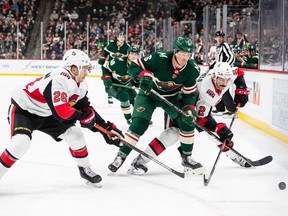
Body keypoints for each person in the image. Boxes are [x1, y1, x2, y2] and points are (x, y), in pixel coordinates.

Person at [0, 49, 123, 187]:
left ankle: (85, 169)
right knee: (20, 142)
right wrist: (83, 118)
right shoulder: (59, 79)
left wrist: (105, 129)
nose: (87, 73)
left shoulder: (80, 84)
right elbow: (63, 112)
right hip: (24, 110)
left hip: (47, 113)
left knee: (76, 135)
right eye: (84, 69)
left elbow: (85, 108)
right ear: (73, 68)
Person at [128, 62, 250, 175]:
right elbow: (199, 120)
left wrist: (241, 88)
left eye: (227, 80)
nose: (224, 83)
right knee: (172, 134)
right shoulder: (207, 92)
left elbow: (238, 72)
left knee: (214, 135)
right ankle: (141, 160)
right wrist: (218, 128)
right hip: (180, 104)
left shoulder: (223, 75)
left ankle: (236, 157)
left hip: (190, 103)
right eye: (221, 79)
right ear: (214, 77)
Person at [108, 37, 205, 175]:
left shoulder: (192, 69)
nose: (185, 58)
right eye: (183, 54)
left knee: (187, 122)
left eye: (188, 55)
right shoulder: (158, 58)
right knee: (139, 124)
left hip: (171, 98)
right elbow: (134, 66)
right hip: (149, 95)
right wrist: (142, 75)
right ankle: (121, 155)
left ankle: (187, 158)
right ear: (175, 51)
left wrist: (189, 108)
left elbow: (189, 94)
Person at [101, 46, 140, 124]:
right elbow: (104, 67)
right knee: (124, 96)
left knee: (136, 100)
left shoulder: (138, 66)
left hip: (126, 85)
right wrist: (107, 78)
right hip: (113, 86)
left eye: (136, 54)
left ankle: (139, 117)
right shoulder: (118, 61)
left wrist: (138, 84)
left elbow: (137, 79)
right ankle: (129, 119)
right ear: (128, 54)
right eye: (132, 53)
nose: (134, 56)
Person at [98, 32, 131, 104]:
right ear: (117, 38)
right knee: (108, 79)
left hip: (120, 65)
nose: (122, 38)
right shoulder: (112, 44)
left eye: (123, 37)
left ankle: (121, 90)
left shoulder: (127, 46)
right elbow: (105, 52)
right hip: (111, 65)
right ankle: (109, 94)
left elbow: (129, 56)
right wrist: (103, 58)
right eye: (120, 37)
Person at [210, 30, 236, 116]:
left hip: (224, 73)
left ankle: (232, 110)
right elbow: (218, 61)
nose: (219, 38)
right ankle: (220, 108)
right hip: (219, 72)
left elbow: (231, 57)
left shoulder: (224, 45)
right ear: (215, 38)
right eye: (218, 37)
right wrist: (210, 67)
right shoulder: (218, 47)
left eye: (221, 37)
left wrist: (225, 67)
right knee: (218, 89)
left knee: (224, 90)